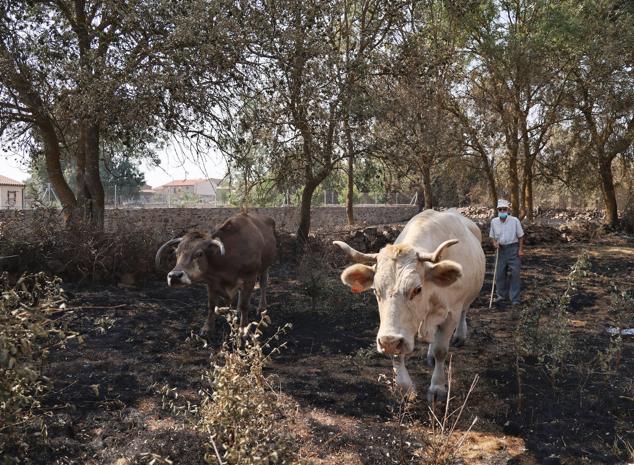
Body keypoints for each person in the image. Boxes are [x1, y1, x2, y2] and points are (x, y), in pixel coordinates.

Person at [489, 199, 525, 306]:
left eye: (504, 209)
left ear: (508, 210)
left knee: (515, 273)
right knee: (499, 274)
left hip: (513, 248)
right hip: (500, 250)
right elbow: (492, 237)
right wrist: (495, 244)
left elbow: (521, 236)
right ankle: (501, 296)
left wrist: (520, 250)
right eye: (500, 209)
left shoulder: (515, 221)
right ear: (498, 210)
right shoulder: (494, 222)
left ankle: (514, 298)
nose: (502, 211)